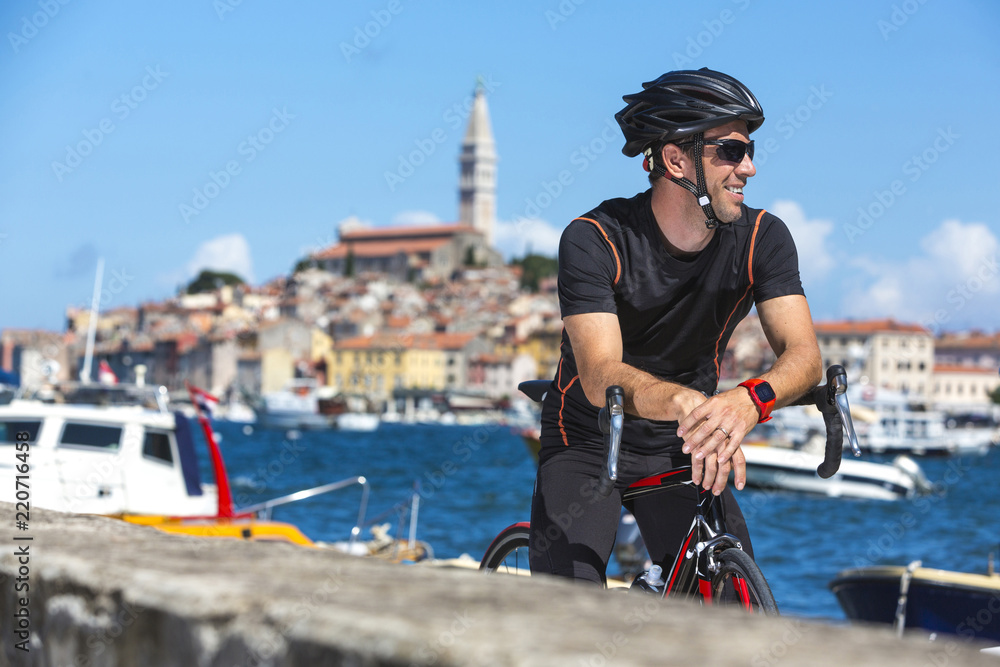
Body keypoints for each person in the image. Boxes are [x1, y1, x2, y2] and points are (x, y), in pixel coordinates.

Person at [528, 68, 822, 584]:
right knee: (572, 613)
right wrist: (688, 402)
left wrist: (746, 401)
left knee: (733, 613)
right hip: (591, 439)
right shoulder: (595, 238)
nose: (748, 168)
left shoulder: (764, 239)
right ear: (675, 159)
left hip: (686, 443)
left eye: (750, 150)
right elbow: (598, 374)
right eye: (731, 151)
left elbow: (804, 356)